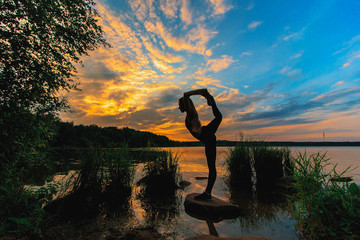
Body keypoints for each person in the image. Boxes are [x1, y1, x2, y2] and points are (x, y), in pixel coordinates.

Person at [179, 89, 222, 200]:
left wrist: (203, 92)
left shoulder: (190, 114)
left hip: (208, 138)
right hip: (206, 132)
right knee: (218, 117)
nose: (179, 107)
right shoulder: (191, 115)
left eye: (180, 105)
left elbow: (185, 94)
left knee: (211, 167)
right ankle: (211, 101)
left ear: (185, 105)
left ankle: (207, 193)